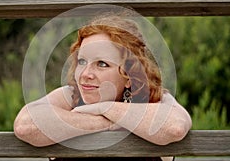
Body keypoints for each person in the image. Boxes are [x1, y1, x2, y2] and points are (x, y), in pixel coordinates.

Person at [14, 10, 192, 161]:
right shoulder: (71, 96)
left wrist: (104, 108)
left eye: (102, 64)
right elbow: (26, 126)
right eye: (82, 61)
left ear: (129, 74)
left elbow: (174, 127)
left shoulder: (154, 99)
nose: (85, 74)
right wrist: (106, 122)